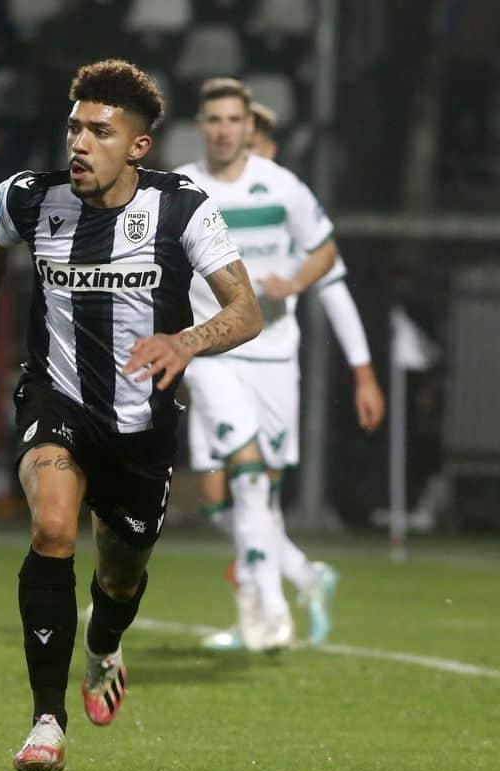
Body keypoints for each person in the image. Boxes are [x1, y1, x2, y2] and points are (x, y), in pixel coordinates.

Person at [0, 60, 262, 771]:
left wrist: (184, 342)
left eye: (100, 131)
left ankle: (104, 645)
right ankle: (46, 721)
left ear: (137, 146)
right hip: (56, 398)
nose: (79, 143)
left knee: (121, 577)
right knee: (52, 526)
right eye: (75, 127)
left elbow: (247, 310)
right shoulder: (27, 198)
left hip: (142, 423)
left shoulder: (180, 207)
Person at [195, 101, 385, 650]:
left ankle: (259, 610)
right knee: (221, 497)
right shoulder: (202, 195)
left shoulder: (285, 199)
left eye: (252, 138)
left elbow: (334, 286)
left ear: (267, 148)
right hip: (215, 360)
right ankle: (298, 577)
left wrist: (363, 373)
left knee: (256, 492)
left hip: (273, 364)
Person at [173, 78, 345, 653]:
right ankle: (270, 609)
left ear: (249, 127)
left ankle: (289, 586)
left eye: (234, 120)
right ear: (201, 126)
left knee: (259, 492)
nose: (224, 130)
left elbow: (325, 248)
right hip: (212, 353)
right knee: (242, 480)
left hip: (274, 353)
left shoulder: (281, 185)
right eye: (214, 119)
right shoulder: (183, 188)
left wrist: (293, 282)